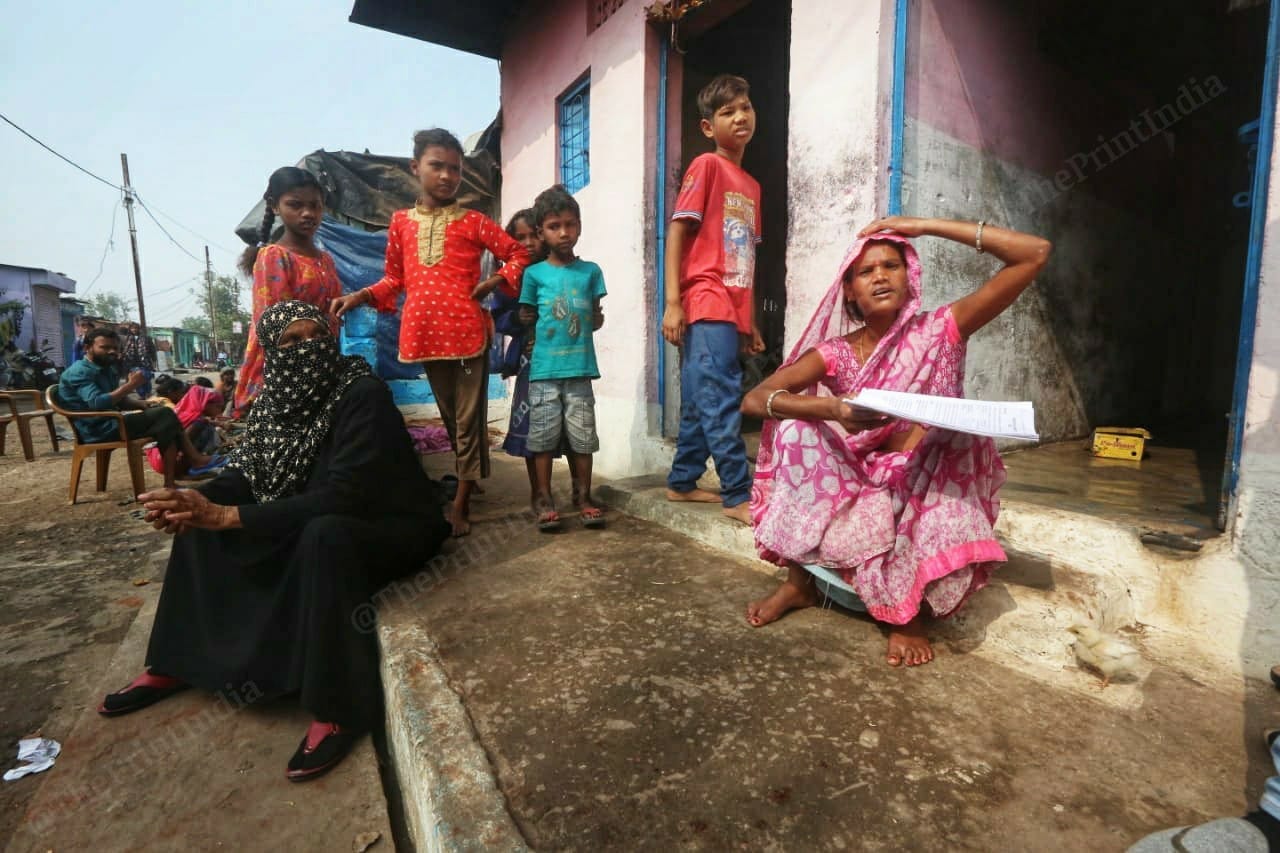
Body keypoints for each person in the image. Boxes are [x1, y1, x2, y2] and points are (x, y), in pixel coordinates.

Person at [97, 301, 451, 782]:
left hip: (387, 523)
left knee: (322, 536)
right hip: (313, 514)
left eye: (315, 337)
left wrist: (228, 515)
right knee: (199, 520)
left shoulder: (362, 393)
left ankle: (339, 707)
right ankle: (178, 661)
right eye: (290, 342)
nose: (307, 350)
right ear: (271, 352)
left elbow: (347, 495)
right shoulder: (272, 401)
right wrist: (193, 500)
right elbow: (246, 474)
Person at [741, 216, 1052, 668]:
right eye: (866, 272)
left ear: (911, 278)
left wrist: (924, 226)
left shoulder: (942, 329)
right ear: (849, 290)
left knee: (959, 444)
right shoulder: (836, 352)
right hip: (858, 474)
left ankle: (905, 615)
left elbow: (1034, 252)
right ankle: (799, 583)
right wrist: (834, 408)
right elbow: (756, 399)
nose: (881, 276)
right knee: (794, 428)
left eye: (892, 266)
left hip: (922, 475)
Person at [331, 128, 531, 537]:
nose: (446, 176)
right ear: (415, 167)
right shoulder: (400, 223)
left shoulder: (475, 221)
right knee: (454, 420)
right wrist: (361, 296)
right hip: (424, 335)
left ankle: (460, 503)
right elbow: (393, 280)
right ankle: (470, 476)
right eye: (437, 166)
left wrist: (495, 283)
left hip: (469, 333)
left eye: (455, 169)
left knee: (468, 418)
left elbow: (518, 252)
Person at [661, 74, 765, 526]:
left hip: (731, 309)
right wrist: (673, 302)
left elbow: (746, 257)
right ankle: (736, 492)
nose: (740, 116)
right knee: (721, 397)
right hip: (704, 299)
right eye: (727, 112)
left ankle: (683, 481)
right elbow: (678, 231)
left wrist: (751, 320)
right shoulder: (707, 165)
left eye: (745, 106)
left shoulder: (753, 186)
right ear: (709, 127)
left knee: (699, 399)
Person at [516, 186, 607, 531]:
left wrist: (595, 321)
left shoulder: (591, 272)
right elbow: (526, 316)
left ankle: (582, 497)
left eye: (570, 224)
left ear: (580, 226)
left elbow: (595, 316)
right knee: (542, 439)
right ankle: (543, 499)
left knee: (583, 438)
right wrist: (528, 333)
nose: (564, 232)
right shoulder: (534, 274)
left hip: (580, 369)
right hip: (543, 371)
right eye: (554, 226)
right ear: (541, 232)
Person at [233, 167, 342, 417]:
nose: (307, 213)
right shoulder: (274, 257)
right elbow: (279, 330)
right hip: (287, 373)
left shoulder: (325, 260)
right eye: (295, 205)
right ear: (274, 206)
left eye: (315, 206)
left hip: (322, 362)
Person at [58, 328, 223, 489]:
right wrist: (131, 385)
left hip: (111, 421)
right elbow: (98, 403)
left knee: (167, 420)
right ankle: (193, 460)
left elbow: (119, 400)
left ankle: (173, 480)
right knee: (165, 416)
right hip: (97, 429)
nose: (111, 352)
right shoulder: (79, 372)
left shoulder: (107, 368)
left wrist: (141, 404)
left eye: (114, 348)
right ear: (87, 348)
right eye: (105, 347)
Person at [144, 385, 223, 475]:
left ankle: (194, 463)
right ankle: (195, 465)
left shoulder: (181, 412)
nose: (220, 411)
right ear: (205, 403)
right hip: (170, 465)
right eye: (218, 407)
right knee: (208, 429)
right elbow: (180, 444)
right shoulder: (198, 422)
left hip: (158, 462)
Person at [119, 322, 157, 399]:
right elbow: (123, 349)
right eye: (132, 328)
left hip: (145, 362)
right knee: (136, 379)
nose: (134, 330)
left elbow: (152, 350)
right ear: (130, 329)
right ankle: (142, 395)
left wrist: (154, 360)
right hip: (132, 362)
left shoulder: (146, 338)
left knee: (146, 378)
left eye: (136, 328)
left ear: (139, 329)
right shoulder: (127, 339)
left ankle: (148, 393)